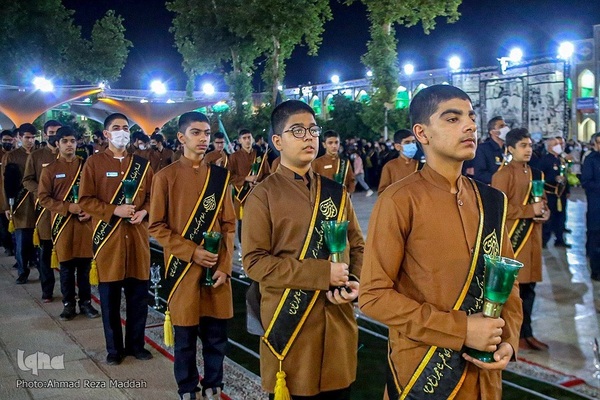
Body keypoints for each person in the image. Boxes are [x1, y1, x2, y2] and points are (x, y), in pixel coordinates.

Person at [360, 85, 522, 399]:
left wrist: (509, 340)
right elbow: (374, 296)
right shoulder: (398, 200)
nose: (470, 125)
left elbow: (508, 283)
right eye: (452, 118)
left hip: (485, 378)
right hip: (425, 375)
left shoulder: (492, 201)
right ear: (422, 133)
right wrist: (461, 329)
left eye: (471, 117)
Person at [243, 100, 364, 399]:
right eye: (297, 130)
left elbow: (357, 245)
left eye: (313, 129)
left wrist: (355, 282)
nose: (309, 137)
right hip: (290, 326)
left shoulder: (335, 192)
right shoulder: (263, 196)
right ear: (277, 141)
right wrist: (323, 272)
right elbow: (255, 264)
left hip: (337, 321)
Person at [149, 111, 236, 400]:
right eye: (196, 132)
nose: (203, 138)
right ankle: (187, 387)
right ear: (181, 137)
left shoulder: (220, 177)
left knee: (216, 336)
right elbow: (157, 226)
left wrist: (225, 265)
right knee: (185, 337)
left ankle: (214, 385)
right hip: (182, 268)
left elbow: (228, 224)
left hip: (215, 269)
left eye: (207, 133)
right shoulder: (165, 177)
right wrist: (191, 251)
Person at [79, 112, 154, 365]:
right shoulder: (94, 163)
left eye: (125, 127)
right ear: (107, 134)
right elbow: (86, 201)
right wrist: (114, 211)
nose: (122, 132)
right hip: (108, 241)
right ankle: (114, 349)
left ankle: (136, 345)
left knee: (138, 298)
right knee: (110, 301)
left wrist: (145, 211)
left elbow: (154, 197)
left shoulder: (143, 165)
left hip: (137, 240)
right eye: (116, 128)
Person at [491, 128, 550, 351]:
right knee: (514, 294)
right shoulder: (502, 175)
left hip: (533, 240)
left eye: (530, 146)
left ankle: (528, 333)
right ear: (510, 149)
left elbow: (542, 202)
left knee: (530, 291)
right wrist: (529, 210)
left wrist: (544, 213)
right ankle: (515, 336)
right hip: (514, 241)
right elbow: (500, 209)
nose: (528, 150)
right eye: (523, 146)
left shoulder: (537, 174)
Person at [38, 126, 99, 320]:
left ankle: (86, 303)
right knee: (66, 267)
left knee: (84, 266)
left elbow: (97, 195)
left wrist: (89, 211)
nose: (69, 145)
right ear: (57, 144)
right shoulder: (50, 170)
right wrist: (66, 207)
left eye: (72, 141)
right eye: (65, 141)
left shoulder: (86, 166)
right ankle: (68, 304)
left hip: (84, 224)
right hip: (62, 224)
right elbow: (43, 198)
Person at [22, 120, 61, 302]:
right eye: (52, 132)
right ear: (46, 135)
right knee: (46, 253)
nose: (55, 136)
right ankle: (47, 290)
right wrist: (41, 192)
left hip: (66, 212)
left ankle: (71, 292)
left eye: (58, 132)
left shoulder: (68, 155)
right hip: (45, 210)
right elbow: (27, 180)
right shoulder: (37, 156)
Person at [3, 123, 37, 284]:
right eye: (27, 137)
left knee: (40, 241)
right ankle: (23, 271)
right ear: (19, 137)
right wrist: (7, 206)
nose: (30, 141)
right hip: (20, 203)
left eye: (32, 137)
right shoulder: (12, 156)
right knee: (22, 241)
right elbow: (6, 183)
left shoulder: (39, 155)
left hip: (38, 202)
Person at [228, 128, 270, 245]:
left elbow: (267, 174)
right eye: (244, 138)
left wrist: (259, 182)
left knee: (260, 221)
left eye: (249, 138)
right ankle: (243, 248)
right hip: (242, 196)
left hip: (258, 194)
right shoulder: (234, 157)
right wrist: (246, 178)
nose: (247, 141)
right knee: (243, 223)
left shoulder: (260, 156)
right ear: (239, 140)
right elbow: (230, 177)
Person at [533, 134, 570, 248]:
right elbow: (539, 177)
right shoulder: (544, 160)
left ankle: (559, 239)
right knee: (549, 219)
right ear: (549, 147)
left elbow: (565, 175)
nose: (559, 146)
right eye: (555, 145)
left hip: (560, 193)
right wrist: (553, 179)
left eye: (559, 144)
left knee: (561, 217)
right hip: (550, 194)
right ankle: (544, 240)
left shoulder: (561, 160)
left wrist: (567, 189)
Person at [581, 132, 600, 281]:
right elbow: (586, 182)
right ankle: (596, 270)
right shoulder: (590, 160)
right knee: (595, 239)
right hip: (596, 207)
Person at [377, 129, 420, 194]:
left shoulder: (420, 165)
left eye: (413, 142)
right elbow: (382, 192)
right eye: (407, 142)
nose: (412, 145)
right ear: (397, 146)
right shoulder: (390, 166)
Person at [471, 116, 510, 184]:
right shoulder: (483, 149)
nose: (505, 128)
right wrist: (501, 179)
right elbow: (480, 175)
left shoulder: (509, 149)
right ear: (492, 132)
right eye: (501, 126)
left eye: (506, 126)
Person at [0, 129, 16, 256]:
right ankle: (7, 246)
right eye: (5, 140)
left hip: (13, 194)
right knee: (3, 225)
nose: (7, 143)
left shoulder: (15, 155)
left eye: (9, 140)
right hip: (1, 196)